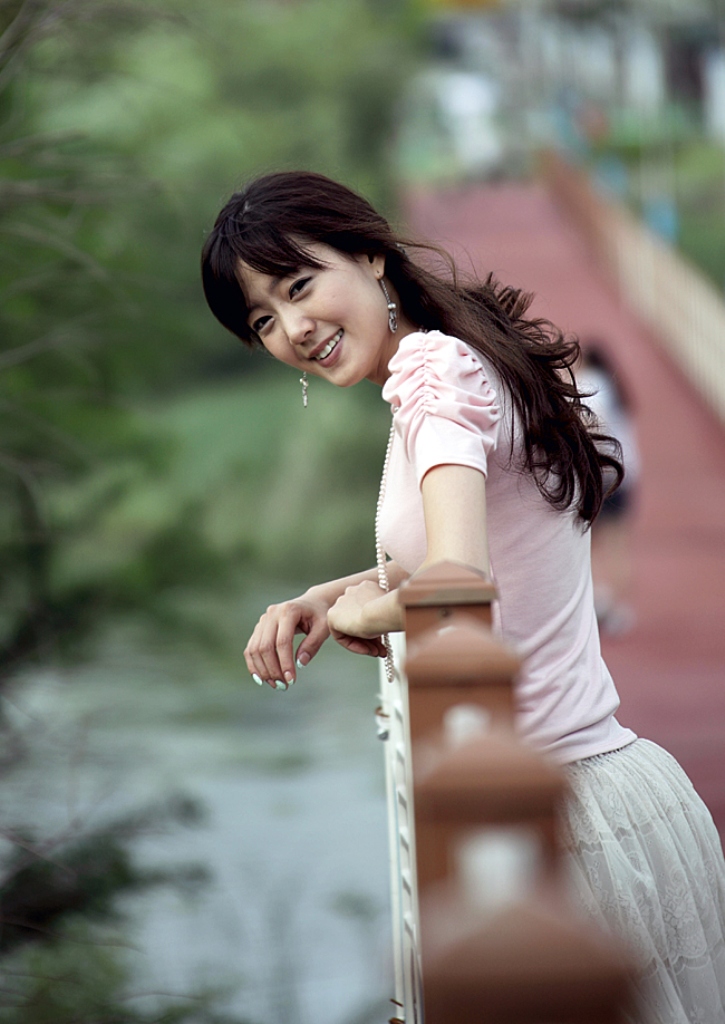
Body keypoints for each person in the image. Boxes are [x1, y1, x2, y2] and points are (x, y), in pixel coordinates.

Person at [201, 170, 725, 1023]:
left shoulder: (431, 372)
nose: (292, 329)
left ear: (370, 255)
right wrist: (327, 595)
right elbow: (485, 555)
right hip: (595, 796)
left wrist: (357, 614)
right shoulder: (454, 361)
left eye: (297, 287)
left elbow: (457, 587)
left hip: (563, 819)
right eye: (262, 320)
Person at [578, 341, 640, 635]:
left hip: (603, 476)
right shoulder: (615, 388)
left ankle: (594, 606)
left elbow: (594, 424)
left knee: (587, 547)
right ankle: (613, 606)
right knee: (617, 547)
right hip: (626, 475)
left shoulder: (590, 384)